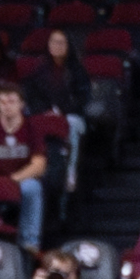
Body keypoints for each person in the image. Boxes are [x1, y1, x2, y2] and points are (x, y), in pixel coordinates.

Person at [0, 85, 47, 252]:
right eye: (2, 102)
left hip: (22, 180)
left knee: (32, 188)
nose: (6, 105)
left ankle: (29, 242)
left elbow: (39, 165)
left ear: (21, 104)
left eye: (11, 101)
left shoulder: (32, 127)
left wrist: (13, 180)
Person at [23, 29, 90, 193]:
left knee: (71, 125)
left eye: (61, 42)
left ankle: (70, 172)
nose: (57, 46)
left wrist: (62, 111)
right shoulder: (39, 71)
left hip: (71, 116)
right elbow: (32, 96)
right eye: (53, 42)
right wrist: (46, 111)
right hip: (44, 115)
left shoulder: (78, 71)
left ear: (68, 46)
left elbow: (82, 99)